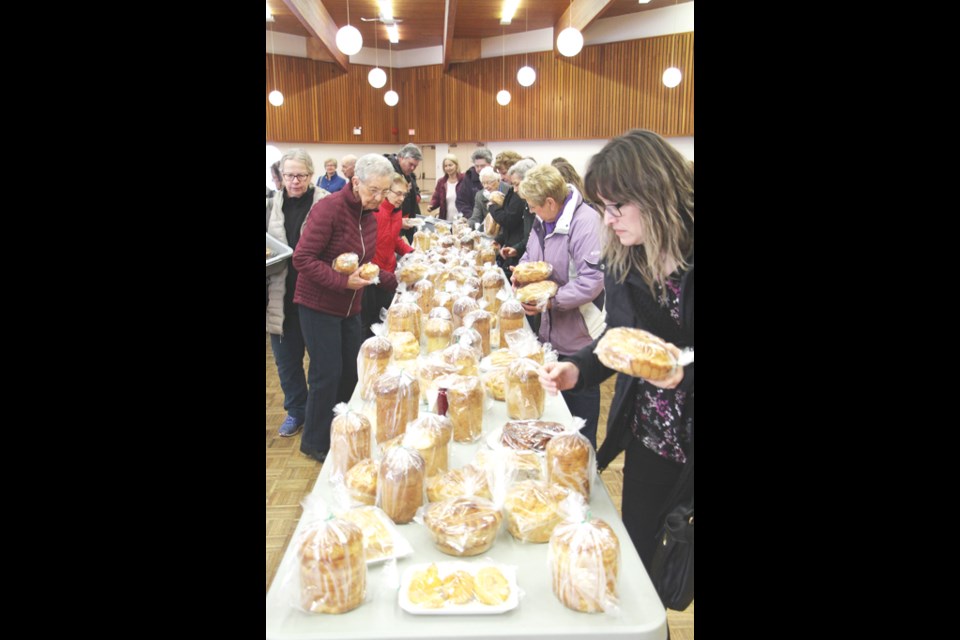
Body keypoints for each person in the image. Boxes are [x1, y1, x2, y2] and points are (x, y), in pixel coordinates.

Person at [539, 129, 694, 580]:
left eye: (617, 206)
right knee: (640, 565)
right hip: (650, 438)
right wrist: (578, 369)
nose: (608, 220)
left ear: (655, 194)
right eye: (602, 207)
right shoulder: (628, 258)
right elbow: (620, 341)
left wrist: (683, 376)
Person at [292, 153, 394, 462]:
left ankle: (341, 429)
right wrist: (341, 283)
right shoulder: (330, 208)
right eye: (374, 190)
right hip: (318, 305)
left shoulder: (368, 214)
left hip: (350, 308)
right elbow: (302, 258)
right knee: (326, 374)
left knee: (351, 371)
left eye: (384, 191)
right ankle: (315, 442)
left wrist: (396, 280)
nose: (379, 197)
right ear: (356, 181)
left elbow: (365, 264)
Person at [515, 164, 606, 449]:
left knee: (579, 417)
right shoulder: (544, 220)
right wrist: (521, 277)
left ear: (551, 202)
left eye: (533, 207)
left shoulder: (586, 223)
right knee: (555, 414)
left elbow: (592, 282)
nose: (531, 212)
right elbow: (530, 256)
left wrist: (550, 301)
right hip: (549, 331)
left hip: (579, 332)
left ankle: (584, 469)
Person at [266, 149, 331, 438]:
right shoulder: (269, 206)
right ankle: (296, 411)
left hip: (315, 294)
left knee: (321, 361)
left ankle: (320, 413)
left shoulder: (326, 204)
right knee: (287, 361)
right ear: (280, 176)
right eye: (289, 175)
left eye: (301, 175)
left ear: (310, 174)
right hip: (280, 294)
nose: (295, 181)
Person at [361, 173, 414, 338]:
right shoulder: (374, 211)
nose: (401, 198)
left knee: (385, 319)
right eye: (397, 193)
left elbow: (394, 238)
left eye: (404, 194)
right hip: (372, 276)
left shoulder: (396, 212)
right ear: (386, 191)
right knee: (369, 322)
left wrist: (411, 252)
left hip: (388, 272)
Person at [488, 158, 536, 281]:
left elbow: (510, 220)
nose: (514, 189)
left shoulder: (531, 204)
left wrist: (492, 208)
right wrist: (517, 248)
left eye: (517, 184)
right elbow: (530, 237)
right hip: (522, 259)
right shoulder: (526, 203)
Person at [385, 144, 422, 243]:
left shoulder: (408, 173)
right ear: (401, 158)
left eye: (415, 166)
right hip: (393, 221)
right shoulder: (388, 169)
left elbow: (415, 188)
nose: (413, 168)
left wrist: (416, 194)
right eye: (411, 164)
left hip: (408, 219)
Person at [454, 148, 493, 218]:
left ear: (490, 164)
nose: (479, 169)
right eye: (477, 166)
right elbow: (461, 201)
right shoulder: (468, 177)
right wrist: (473, 217)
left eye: (482, 166)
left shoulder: (497, 177)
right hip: (473, 219)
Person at [426, 154, 464, 220]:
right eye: (445, 166)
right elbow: (436, 197)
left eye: (450, 165)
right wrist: (431, 205)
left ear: (456, 165)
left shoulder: (464, 179)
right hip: (446, 219)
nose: (448, 168)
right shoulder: (441, 182)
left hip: (462, 219)